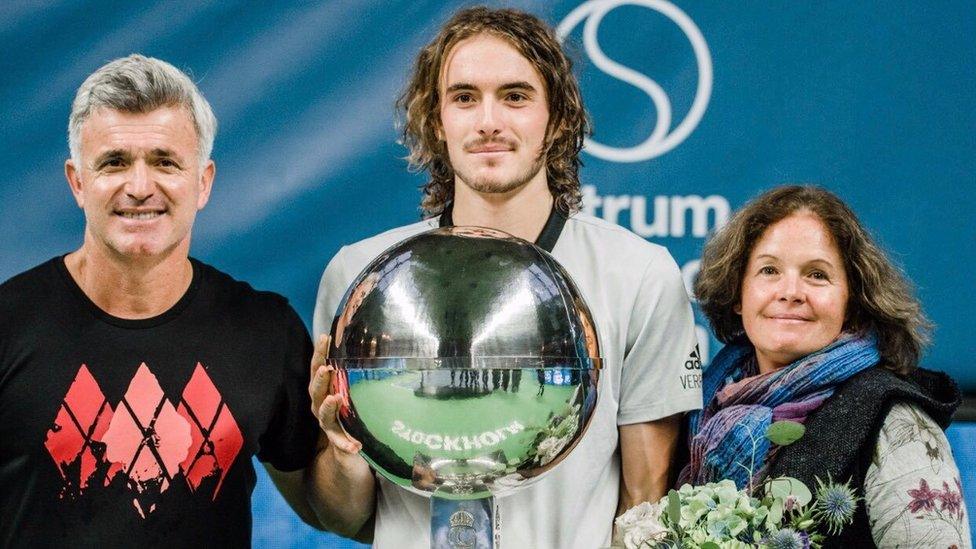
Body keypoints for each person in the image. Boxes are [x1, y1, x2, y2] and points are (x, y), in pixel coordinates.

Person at [308, 6, 702, 547]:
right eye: (464, 97)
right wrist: (339, 448)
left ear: (558, 118)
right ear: (436, 119)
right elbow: (344, 518)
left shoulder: (636, 275)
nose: (488, 121)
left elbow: (644, 503)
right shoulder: (361, 276)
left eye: (515, 96)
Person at [0, 54, 331, 547]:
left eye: (164, 162)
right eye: (114, 162)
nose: (139, 187)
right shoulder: (9, 322)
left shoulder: (265, 331)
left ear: (203, 182)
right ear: (77, 182)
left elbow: (330, 511)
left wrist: (345, 447)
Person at [680, 185, 970, 547]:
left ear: (852, 301)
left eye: (817, 275)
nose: (790, 292)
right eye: (769, 270)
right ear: (738, 294)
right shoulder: (701, 409)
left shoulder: (897, 421)